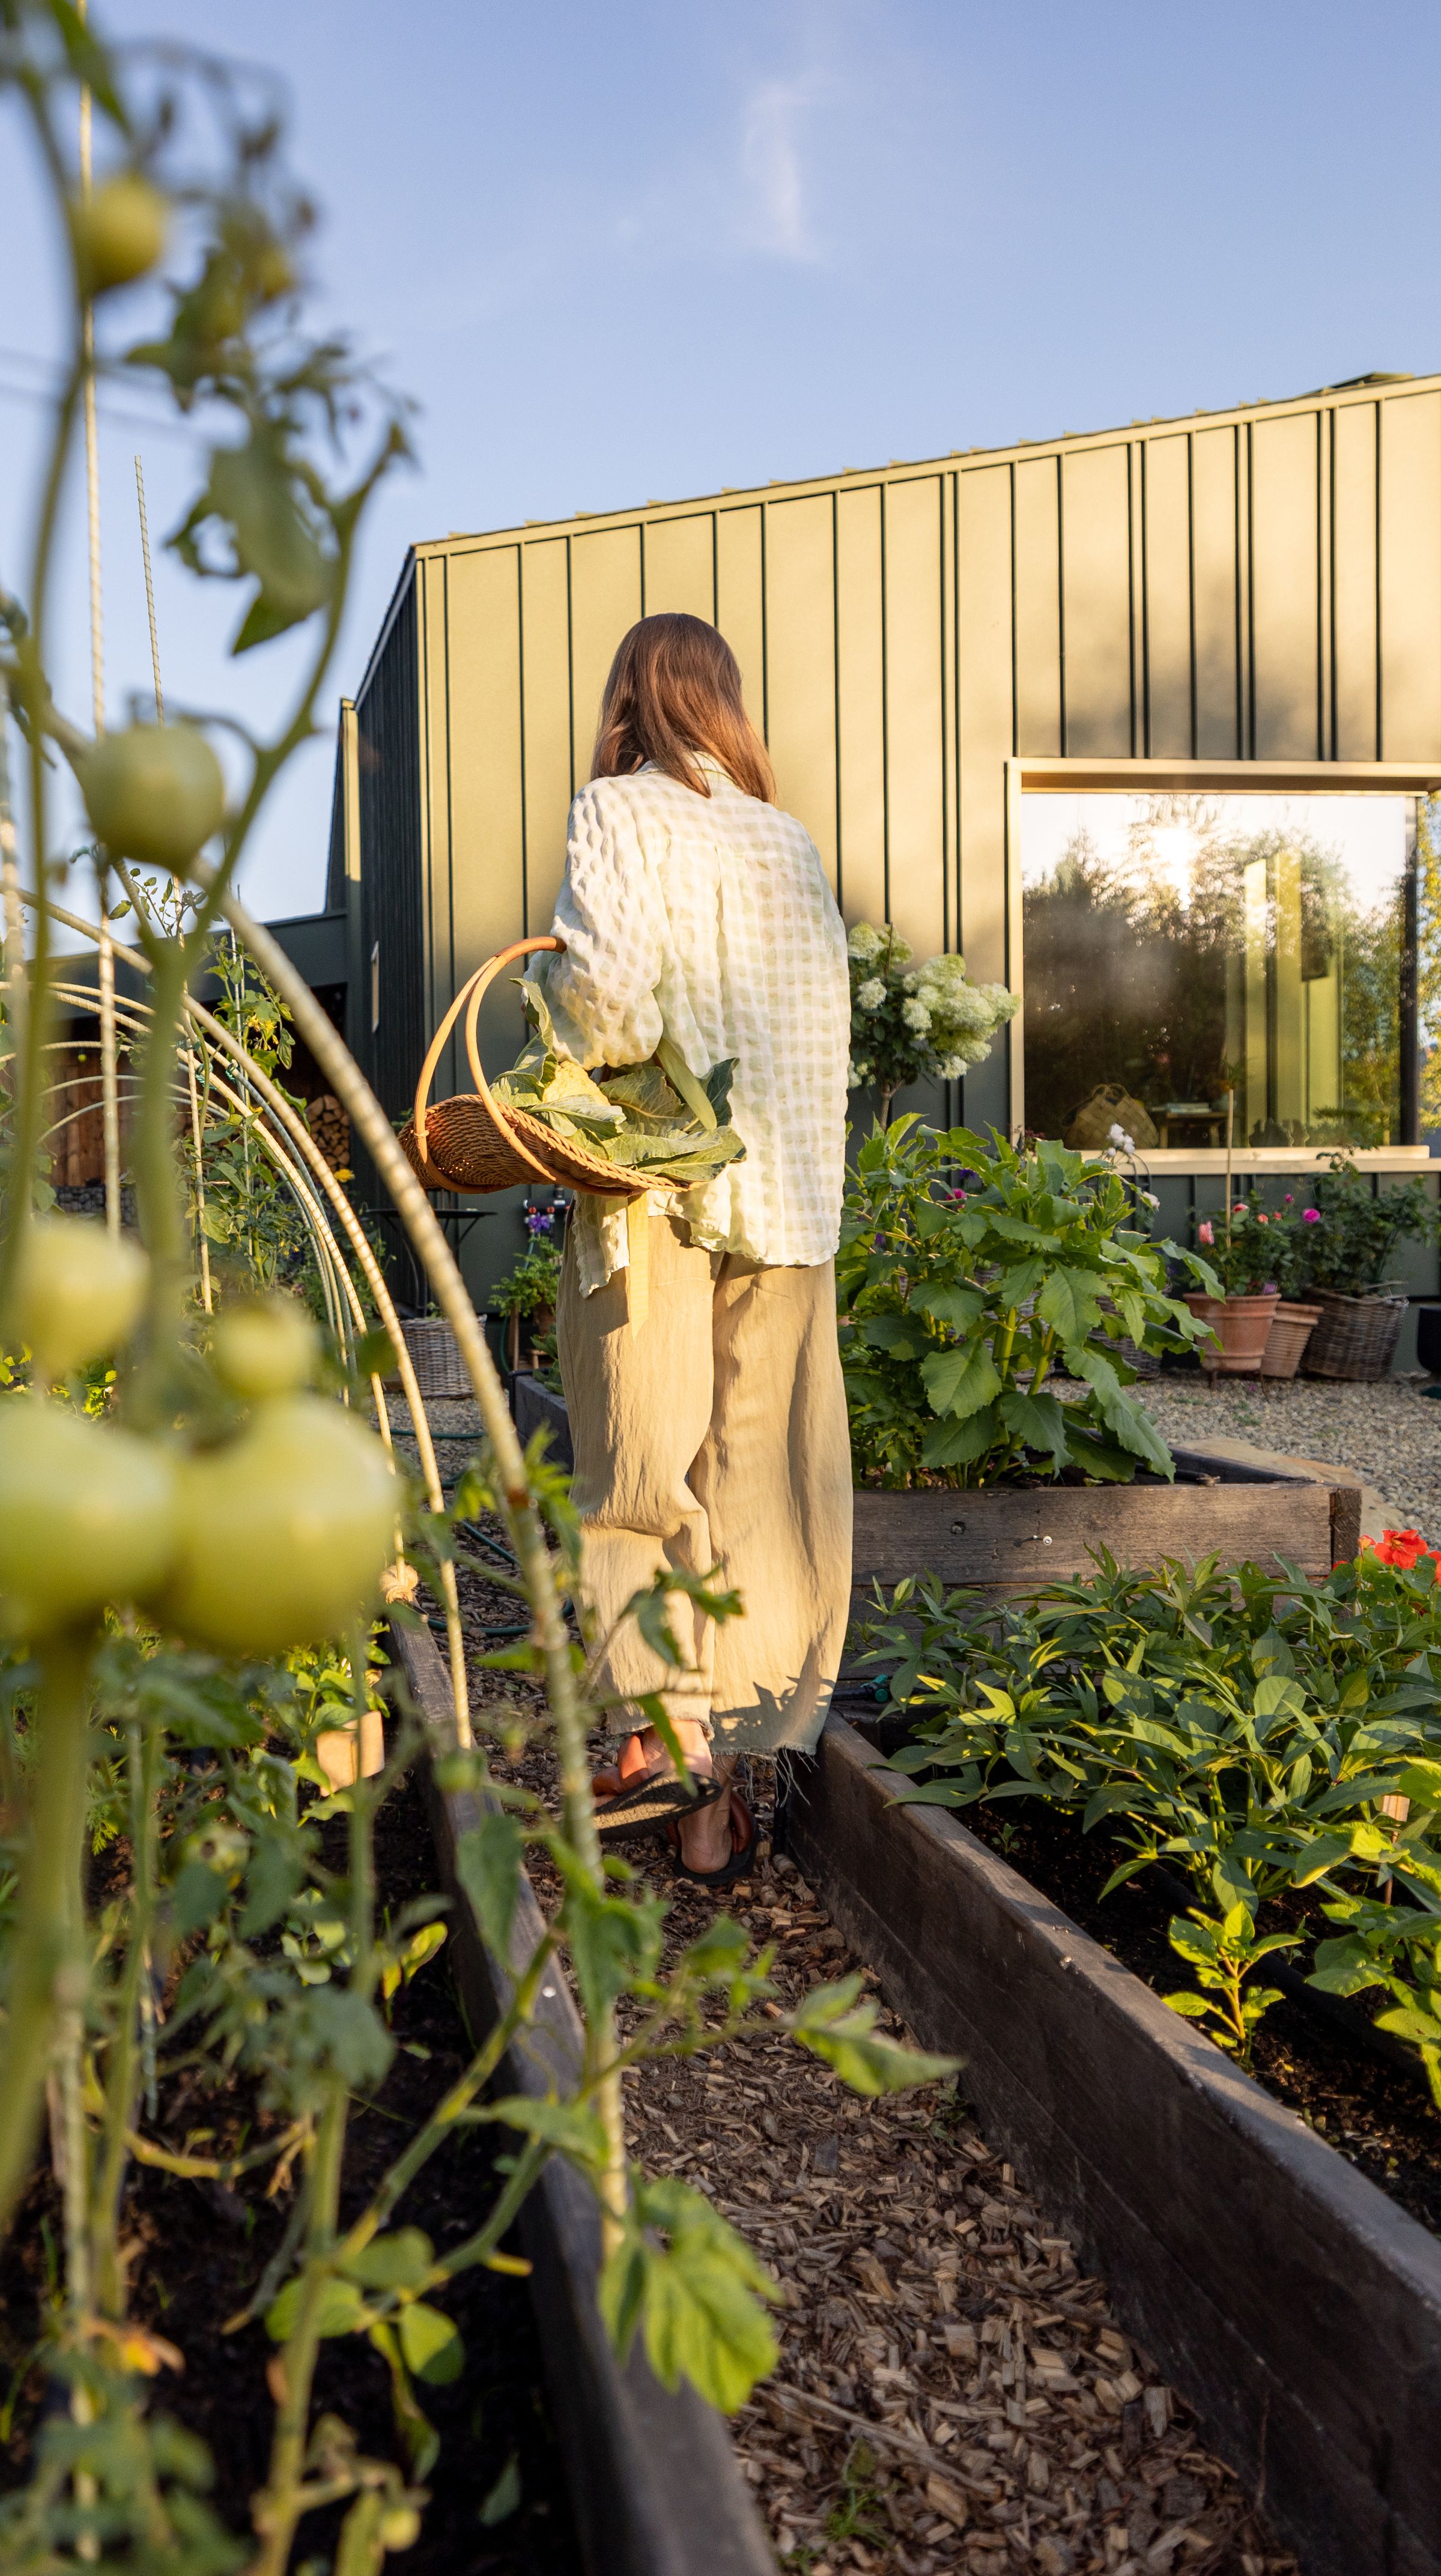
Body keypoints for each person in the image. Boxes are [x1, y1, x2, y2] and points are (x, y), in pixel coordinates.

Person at [532, 613, 853, 1880]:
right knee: (753, 1477)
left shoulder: (616, 811)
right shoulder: (788, 842)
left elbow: (609, 1004)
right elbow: (825, 1024)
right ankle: (733, 1773)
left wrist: (554, 1016)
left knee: (634, 1470)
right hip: (786, 1196)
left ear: (630, 700)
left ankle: (661, 1741)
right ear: (720, 704)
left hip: (658, 1184)